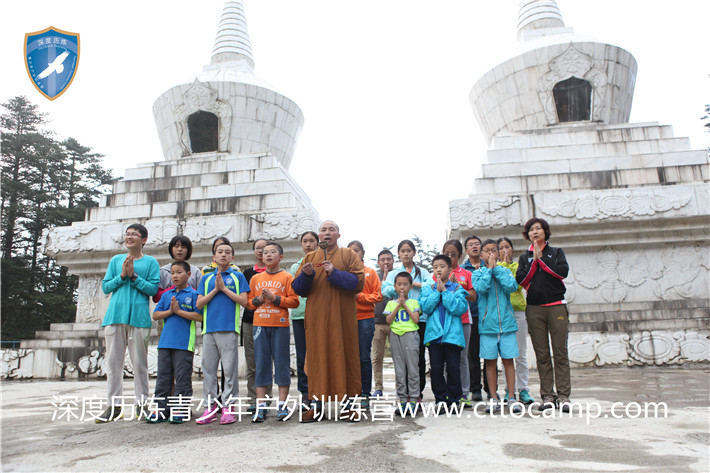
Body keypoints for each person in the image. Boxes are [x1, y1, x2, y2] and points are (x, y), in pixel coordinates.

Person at [292, 220, 365, 422]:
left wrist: (334, 272)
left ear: (338, 236)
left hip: (343, 321)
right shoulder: (310, 257)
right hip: (317, 322)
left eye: (331, 230)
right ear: (319, 235)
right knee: (317, 360)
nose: (327, 233)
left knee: (346, 358)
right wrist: (306, 276)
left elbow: (359, 283)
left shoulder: (348, 255)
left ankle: (348, 407)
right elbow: (298, 289)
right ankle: (316, 408)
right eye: (323, 230)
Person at [97, 223, 159, 423]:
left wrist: (133, 275)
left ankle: (142, 405)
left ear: (144, 240)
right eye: (127, 234)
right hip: (115, 317)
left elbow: (152, 290)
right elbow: (106, 287)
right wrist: (122, 275)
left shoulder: (151, 262)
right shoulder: (116, 260)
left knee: (140, 364)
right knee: (114, 364)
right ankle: (113, 406)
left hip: (139, 319)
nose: (129, 237)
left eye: (134, 234)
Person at [516, 218, 571, 412]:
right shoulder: (524, 258)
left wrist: (543, 261)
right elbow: (521, 280)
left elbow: (563, 272)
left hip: (556, 306)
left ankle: (563, 396)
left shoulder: (556, 253)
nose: (535, 232)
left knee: (560, 352)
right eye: (531, 230)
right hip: (535, 308)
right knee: (542, 354)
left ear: (545, 232)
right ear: (527, 235)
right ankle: (548, 395)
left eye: (538, 228)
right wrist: (534, 262)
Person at [195, 242, 250, 425]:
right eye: (220, 252)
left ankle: (229, 407)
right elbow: (199, 304)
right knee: (209, 370)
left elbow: (244, 301)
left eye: (227, 252)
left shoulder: (238, 277)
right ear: (214, 257)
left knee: (229, 370)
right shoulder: (206, 278)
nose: (224, 255)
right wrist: (215, 290)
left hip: (229, 329)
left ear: (232, 257)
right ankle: (210, 407)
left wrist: (224, 289)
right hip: (209, 329)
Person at [247, 242, 300, 423]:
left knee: (282, 363)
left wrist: (275, 299)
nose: (268, 255)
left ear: (281, 257)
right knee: (261, 364)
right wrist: (260, 299)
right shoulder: (255, 279)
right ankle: (261, 406)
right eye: (265, 253)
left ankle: (282, 405)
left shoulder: (287, 277)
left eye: (273, 252)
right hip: (260, 324)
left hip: (280, 325)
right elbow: (248, 303)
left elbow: (294, 301)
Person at [148, 261, 203, 423]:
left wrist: (179, 311)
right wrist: (170, 311)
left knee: (182, 377)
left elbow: (199, 316)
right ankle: (161, 409)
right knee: (163, 377)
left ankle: (181, 408)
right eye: (172, 273)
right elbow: (156, 315)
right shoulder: (167, 295)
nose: (175, 276)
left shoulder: (194, 294)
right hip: (165, 343)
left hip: (184, 344)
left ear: (189, 274)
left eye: (179, 272)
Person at [472, 240, 521, 414]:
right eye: (487, 251)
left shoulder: (505, 271)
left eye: (494, 250)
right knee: (490, 363)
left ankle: (512, 396)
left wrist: (497, 269)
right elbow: (481, 289)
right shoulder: (477, 274)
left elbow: (511, 287)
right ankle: (493, 397)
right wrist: (490, 271)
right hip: (488, 327)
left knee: (508, 361)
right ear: (482, 255)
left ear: (499, 254)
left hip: (507, 326)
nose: (491, 254)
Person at [381, 240, 433, 401]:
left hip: (419, 318)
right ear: (398, 254)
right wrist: (401, 286)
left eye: (409, 250)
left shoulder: (422, 271)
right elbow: (385, 289)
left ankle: (417, 393)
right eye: (402, 251)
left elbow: (430, 285)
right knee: (401, 362)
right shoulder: (393, 273)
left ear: (414, 252)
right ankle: (403, 395)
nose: (405, 253)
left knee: (418, 359)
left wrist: (411, 283)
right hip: (398, 321)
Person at [420, 255, 468, 408]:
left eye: (442, 266)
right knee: (436, 370)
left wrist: (445, 292)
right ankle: (440, 399)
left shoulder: (457, 288)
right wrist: (437, 292)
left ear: (449, 269)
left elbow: (459, 308)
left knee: (453, 369)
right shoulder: (428, 289)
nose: (438, 269)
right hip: (434, 337)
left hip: (452, 337)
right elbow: (425, 307)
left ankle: (454, 400)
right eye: (435, 267)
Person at [497, 237, 535, 405]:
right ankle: (508, 389)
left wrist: (508, 266)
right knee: (506, 354)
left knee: (520, 353)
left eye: (507, 246)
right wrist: (503, 265)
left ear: (512, 249)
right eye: (501, 248)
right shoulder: (496, 267)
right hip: (502, 313)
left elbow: (517, 284)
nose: (504, 250)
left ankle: (523, 389)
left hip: (518, 311)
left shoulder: (519, 266)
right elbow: (501, 284)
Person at [347, 240, 383, 408]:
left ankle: (365, 394)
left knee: (363, 357)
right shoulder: (343, 273)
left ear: (363, 253)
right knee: (348, 358)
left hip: (365, 319)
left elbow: (378, 296)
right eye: (350, 251)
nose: (354, 253)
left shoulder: (370, 273)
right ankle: (349, 393)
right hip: (346, 319)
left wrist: (359, 297)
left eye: (357, 250)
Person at [441, 239, 476, 408]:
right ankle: (449, 392)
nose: (449, 257)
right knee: (448, 359)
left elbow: (473, 296)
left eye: (453, 254)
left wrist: (457, 287)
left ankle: (464, 392)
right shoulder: (438, 273)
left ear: (460, 256)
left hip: (463, 321)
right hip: (444, 321)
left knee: (463, 358)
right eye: (446, 253)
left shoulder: (466, 274)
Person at [383, 272, 421, 415]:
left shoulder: (414, 303)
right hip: (395, 336)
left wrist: (405, 304)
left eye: (405, 284)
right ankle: (403, 401)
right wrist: (398, 304)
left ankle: (414, 401)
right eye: (399, 284)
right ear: (395, 286)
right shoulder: (391, 303)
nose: (402, 287)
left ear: (410, 287)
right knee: (400, 370)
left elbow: (416, 320)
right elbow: (388, 320)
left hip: (410, 335)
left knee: (412, 369)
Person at [289, 231, 319, 408]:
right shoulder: (296, 267)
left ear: (317, 243)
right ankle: (305, 392)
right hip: (300, 315)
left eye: (311, 241)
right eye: (305, 241)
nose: (308, 244)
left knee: (318, 355)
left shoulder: (322, 264)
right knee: (302, 357)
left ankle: (320, 391)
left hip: (318, 316)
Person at [241, 238, 271, 413]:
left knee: (267, 361)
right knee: (252, 362)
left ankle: (266, 399)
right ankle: (253, 399)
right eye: (258, 248)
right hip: (250, 321)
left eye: (265, 248)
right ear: (254, 252)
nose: (261, 251)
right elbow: (245, 298)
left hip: (270, 320)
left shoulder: (276, 273)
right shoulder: (247, 273)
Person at [461, 235, 489, 401]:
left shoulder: (488, 266)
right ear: (466, 250)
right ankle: (475, 389)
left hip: (488, 315)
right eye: (470, 245)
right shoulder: (464, 270)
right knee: (472, 355)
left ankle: (491, 389)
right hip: (472, 316)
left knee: (489, 354)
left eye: (477, 244)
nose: (474, 247)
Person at [371, 249, 394, 398]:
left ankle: (401, 386)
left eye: (389, 259)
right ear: (378, 262)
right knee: (377, 356)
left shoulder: (397, 276)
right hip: (377, 321)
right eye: (383, 260)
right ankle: (378, 387)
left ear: (393, 261)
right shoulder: (373, 276)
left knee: (398, 356)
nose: (386, 262)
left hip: (395, 322)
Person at [153, 235, 202, 304]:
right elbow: (156, 297)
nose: (179, 249)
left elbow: (201, 296)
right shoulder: (163, 271)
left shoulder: (195, 271)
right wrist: (175, 288)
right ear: (171, 249)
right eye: (176, 246)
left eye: (183, 247)